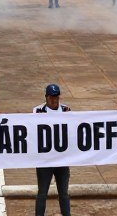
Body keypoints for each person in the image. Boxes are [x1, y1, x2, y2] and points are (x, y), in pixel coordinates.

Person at [34, 84, 71, 216]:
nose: (54, 99)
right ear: (46, 97)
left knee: (64, 193)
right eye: (51, 97)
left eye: (56, 96)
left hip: (61, 159)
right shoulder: (37, 111)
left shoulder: (67, 110)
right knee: (42, 192)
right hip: (45, 160)